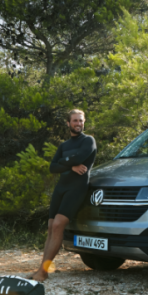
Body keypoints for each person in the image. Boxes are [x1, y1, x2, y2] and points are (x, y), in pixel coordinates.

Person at [30, 109, 97, 282]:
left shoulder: (88, 140)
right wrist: (70, 166)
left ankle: (43, 272)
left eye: (81, 121)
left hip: (77, 187)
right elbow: (53, 168)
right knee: (51, 226)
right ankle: (41, 268)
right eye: (75, 121)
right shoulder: (64, 145)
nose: (78, 124)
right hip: (61, 188)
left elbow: (79, 157)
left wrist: (65, 163)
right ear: (68, 123)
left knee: (59, 225)